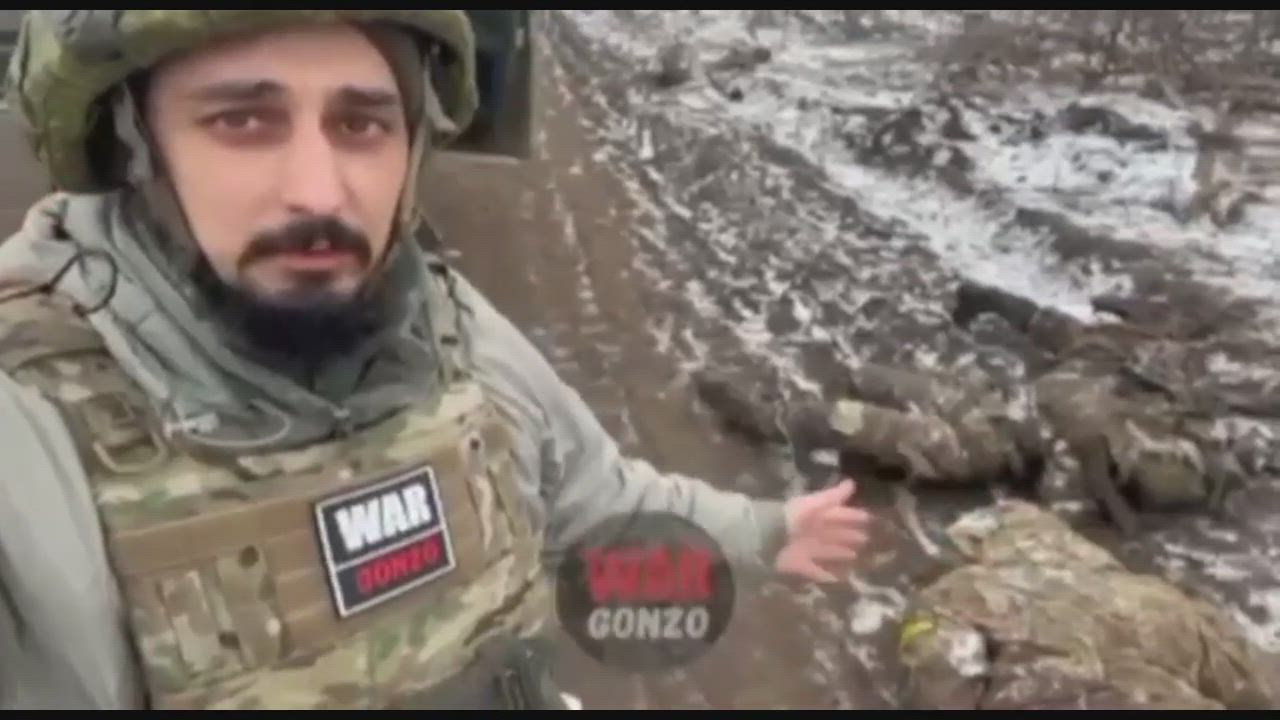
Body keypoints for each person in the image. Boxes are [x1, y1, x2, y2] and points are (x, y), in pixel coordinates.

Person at [0, 11, 872, 710]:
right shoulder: (29, 424)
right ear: (133, 146)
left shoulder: (449, 328)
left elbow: (593, 503)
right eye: (243, 121)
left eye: (362, 124)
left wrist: (762, 531)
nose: (318, 190)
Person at [826, 280, 1267, 535]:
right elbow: (1066, 505)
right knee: (882, 416)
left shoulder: (1138, 377)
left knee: (876, 396)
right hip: (1004, 426)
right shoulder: (1141, 428)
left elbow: (1069, 338)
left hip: (1006, 413)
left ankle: (825, 414)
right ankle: (819, 419)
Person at [895, 498, 1274, 709]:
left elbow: (943, 685)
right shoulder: (1144, 588)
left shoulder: (953, 592)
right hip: (1164, 650)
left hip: (1084, 684)